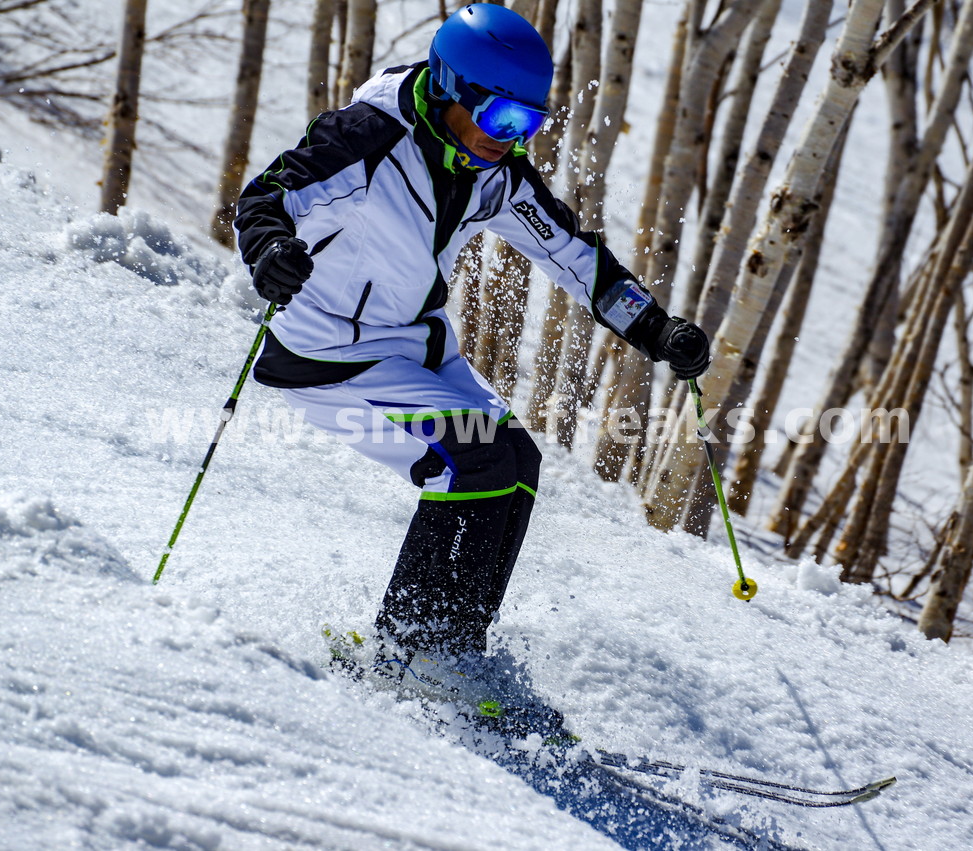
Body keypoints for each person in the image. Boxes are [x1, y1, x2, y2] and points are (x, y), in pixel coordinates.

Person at [233, 4, 710, 665]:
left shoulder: (495, 169)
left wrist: (656, 328)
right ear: (451, 88)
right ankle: (418, 653)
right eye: (499, 117)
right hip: (328, 357)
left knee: (516, 463)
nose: (508, 138)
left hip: (413, 344)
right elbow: (266, 197)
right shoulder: (369, 138)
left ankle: (454, 650)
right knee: (473, 460)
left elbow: (574, 254)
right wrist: (269, 250)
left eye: (527, 124)